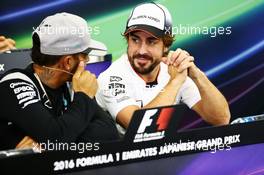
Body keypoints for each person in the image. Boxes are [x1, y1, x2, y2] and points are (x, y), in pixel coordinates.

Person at [96, 2, 231, 135]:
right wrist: (175, 82)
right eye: (135, 40)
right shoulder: (111, 77)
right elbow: (139, 129)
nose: (141, 50)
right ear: (128, 39)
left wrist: (196, 75)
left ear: (166, 45)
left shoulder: (173, 70)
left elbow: (221, 119)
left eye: (151, 41)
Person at [0, 12, 119, 151]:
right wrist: (84, 97)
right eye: (85, 55)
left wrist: (54, 143)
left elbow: (109, 133)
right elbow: (55, 137)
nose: (87, 61)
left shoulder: (72, 85)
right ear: (68, 62)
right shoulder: (14, 84)